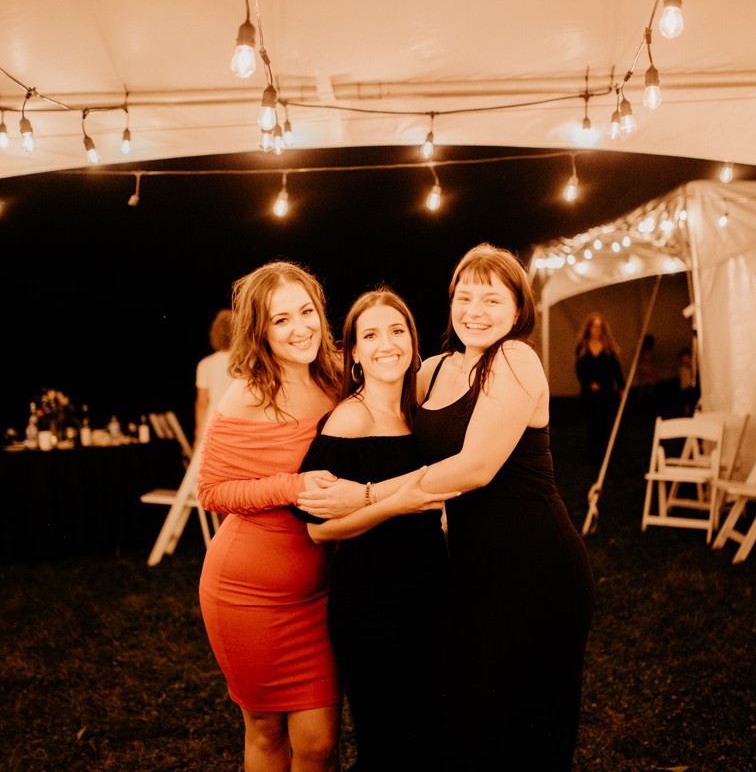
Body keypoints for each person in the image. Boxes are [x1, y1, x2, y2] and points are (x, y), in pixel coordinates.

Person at [298, 243, 596, 772]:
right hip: (468, 570)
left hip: (534, 564)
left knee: (525, 727)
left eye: (492, 299)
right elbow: (376, 382)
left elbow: (475, 468)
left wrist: (366, 494)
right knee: (467, 723)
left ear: (518, 310)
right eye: (464, 297)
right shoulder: (434, 370)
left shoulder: (514, 358)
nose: (475, 311)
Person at [290, 287, 455, 772]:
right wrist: (392, 503)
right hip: (373, 608)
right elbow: (318, 531)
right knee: (389, 748)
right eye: (371, 335)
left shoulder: (416, 413)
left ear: (413, 342)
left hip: (429, 595)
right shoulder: (349, 419)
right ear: (355, 354)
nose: (387, 344)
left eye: (397, 331)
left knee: (429, 741)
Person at [196, 260, 346, 772]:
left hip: (322, 593)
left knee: (320, 744)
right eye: (281, 319)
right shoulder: (248, 394)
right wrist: (293, 486)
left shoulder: (338, 378)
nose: (300, 328)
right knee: (265, 731)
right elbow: (211, 491)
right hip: (248, 596)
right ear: (259, 330)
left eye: (306, 312)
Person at [575, 311, 625, 459]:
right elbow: (579, 370)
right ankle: (593, 453)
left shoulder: (608, 348)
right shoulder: (582, 348)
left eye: (600, 327)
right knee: (591, 422)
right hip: (588, 393)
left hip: (606, 392)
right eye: (594, 326)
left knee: (603, 422)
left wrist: (622, 387)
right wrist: (589, 383)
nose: (597, 330)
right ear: (589, 328)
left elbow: (616, 369)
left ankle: (604, 453)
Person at [195, 308, 235, 444]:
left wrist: (198, 436)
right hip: (239, 424)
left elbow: (202, 405)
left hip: (213, 426)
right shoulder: (248, 362)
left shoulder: (205, 364)